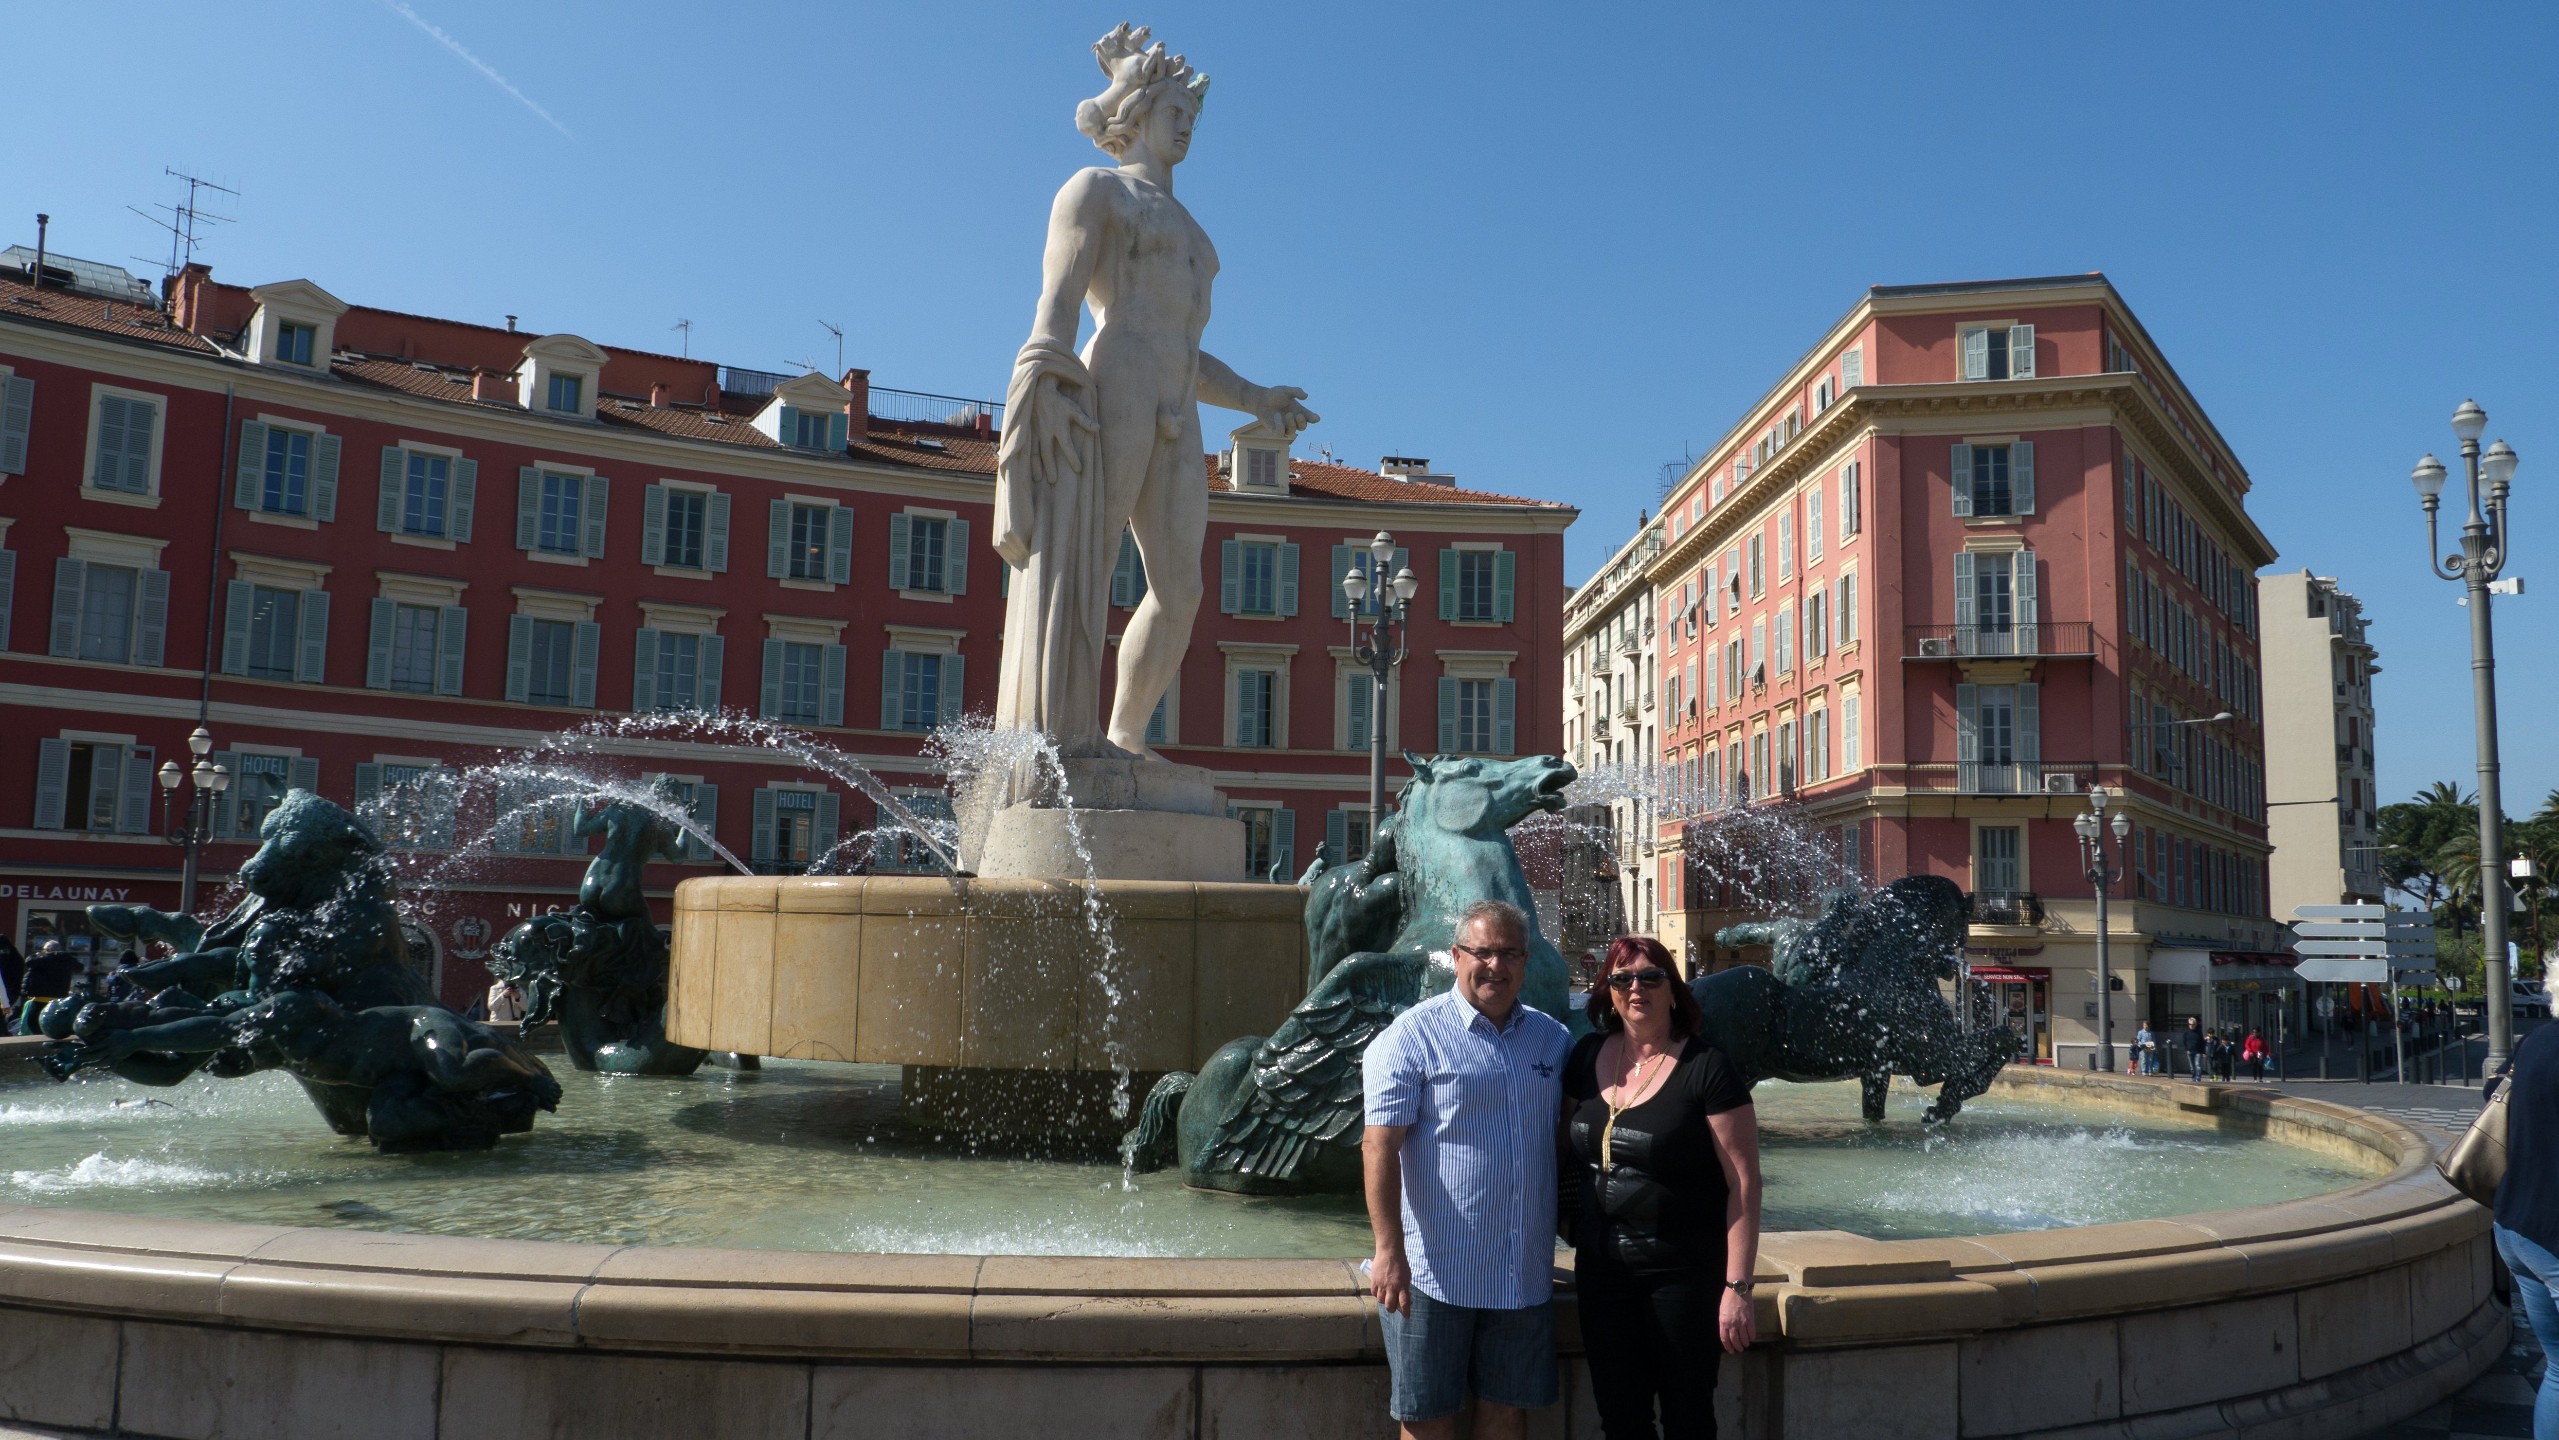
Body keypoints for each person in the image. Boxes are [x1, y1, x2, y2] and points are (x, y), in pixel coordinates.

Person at [1363, 899, 1573, 1440]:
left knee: (1507, 1414)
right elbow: (1378, 1146)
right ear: (1456, 957)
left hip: (1522, 1272)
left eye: (1509, 953)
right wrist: (1388, 1251)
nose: (1495, 966)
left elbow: (1565, 1142)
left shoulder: (1553, 1040)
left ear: (1525, 961)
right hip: (1434, 1273)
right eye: (1482, 952)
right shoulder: (1412, 1036)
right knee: (1427, 1421)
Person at [1564, 935, 1761, 1438]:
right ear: (1607, 992)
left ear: (1673, 989)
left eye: (1651, 977)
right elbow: (1562, 1152)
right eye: (1622, 979)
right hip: (1603, 1275)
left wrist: (1738, 1287)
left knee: (1687, 1418)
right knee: (1620, 1419)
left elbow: (1743, 1184)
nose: (1637, 989)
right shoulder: (1586, 1056)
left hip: (1683, 1275)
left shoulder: (1706, 1066)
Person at [2494, 1022, 2559, 1438]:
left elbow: (2492, 1094)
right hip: (2552, 1236)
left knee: (2558, 1368)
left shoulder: (2536, 1039)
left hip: (2515, 1225)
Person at [14, 941, 78, 1035]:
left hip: (41, 998)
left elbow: (29, 961)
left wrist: (36, 955)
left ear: (48, 950)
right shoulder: (66, 961)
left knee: (33, 1023)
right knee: (53, 1025)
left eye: (44, 949)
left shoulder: (43, 960)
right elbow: (79, 967)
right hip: (58, 1000)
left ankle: (39, 1041)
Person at [2182, 1017, 2207, 1082]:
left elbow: (2202, 1042)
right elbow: (2184, 1041)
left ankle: (2198, 1077)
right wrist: (2186, 1049)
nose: (2191, 1026)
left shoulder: (2199, 1032)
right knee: (2192, 1066)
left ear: (2195, 1024)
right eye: (2190, 1024)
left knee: (2197, 1064)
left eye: (2193, 1024)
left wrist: (2203, 1052)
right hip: (2190, 1051)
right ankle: (2194, 1076)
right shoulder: (2186, 1032)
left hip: (2198, 1051)